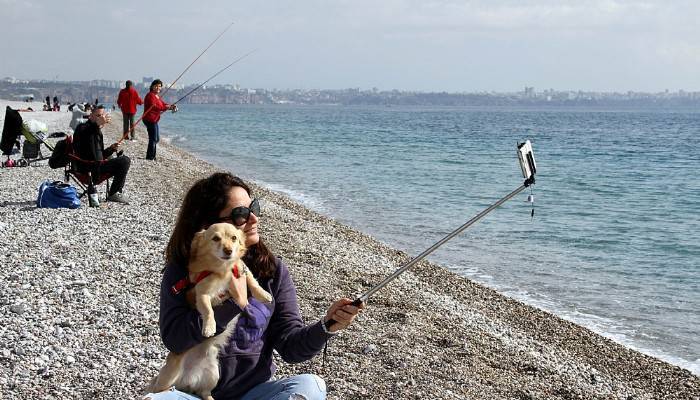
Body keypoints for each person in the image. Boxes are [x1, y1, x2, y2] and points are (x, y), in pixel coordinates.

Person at [148, 172, 363, 399]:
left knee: (311, 385)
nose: (254, 219)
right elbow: (174, 339)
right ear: (210, 226)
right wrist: (233, 303)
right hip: (195, 393)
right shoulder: (184, 271)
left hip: (254, 393)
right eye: (241, 214)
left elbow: (290, 347)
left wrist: (327, 325)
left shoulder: (272, 270)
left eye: (254, 208)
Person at [72, 105, 131, 204]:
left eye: (103, 115)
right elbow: (85, 133)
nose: (102, 118)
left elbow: (99, 154)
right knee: (125, 161)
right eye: (98, 115)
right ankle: (114, 193)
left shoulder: (97, 131)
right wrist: (96, 125)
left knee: (117, 158)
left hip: (94, 165)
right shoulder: (82, 128)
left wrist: (111, 149)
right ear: (91, 116)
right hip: (89, 170)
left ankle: (115, 192)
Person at [143, 79, 176, 160]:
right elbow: (154, 106)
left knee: (156, 139)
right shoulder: (150, 95)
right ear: (152, 87)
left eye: (160, 86)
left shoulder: (156, 96)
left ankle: (151, 156)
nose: (158, 87)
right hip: (149, 119)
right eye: (156, 86)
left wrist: (171, 106)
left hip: (154, 119)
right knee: (153, 138)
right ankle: (150, 157)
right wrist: (166, 107)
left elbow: (163, 104)